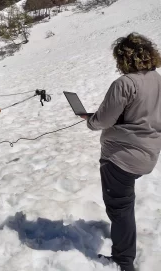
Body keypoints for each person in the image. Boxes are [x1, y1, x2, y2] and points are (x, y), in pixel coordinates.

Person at [81, 33, 161, 271]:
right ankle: (124, 244)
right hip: (148, 154)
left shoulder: (125, 83)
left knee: (120, 207)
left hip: (121, 157)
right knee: (124, 204)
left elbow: (103, 121)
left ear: (124, 58)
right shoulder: (157, 79)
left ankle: (123, 260)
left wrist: (90, 120)